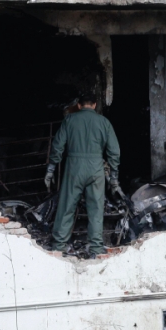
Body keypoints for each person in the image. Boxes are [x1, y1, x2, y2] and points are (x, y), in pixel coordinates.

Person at [44, 92, 122, 258]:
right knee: (96, 208)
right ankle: (96, 247)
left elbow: (58, 145)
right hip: (96, 168)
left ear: (79, 105)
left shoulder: (70, 120)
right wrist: (114, 177)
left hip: (74, 167)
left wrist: (51, 168)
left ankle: (59, 245)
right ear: (94, 105)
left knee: (67, 206)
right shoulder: (104, 122)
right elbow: (114, 151)